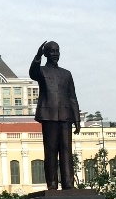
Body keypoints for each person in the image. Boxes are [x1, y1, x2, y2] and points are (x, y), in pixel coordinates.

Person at [29, 41, 80, 189]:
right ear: (45, 54)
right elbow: (33, 73)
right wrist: (37, 57)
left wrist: (77, 119)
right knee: (50, 151)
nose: (55, 54)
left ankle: (68, 183)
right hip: (48, 115)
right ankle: (52, 184)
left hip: (65, 116)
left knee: (66, 150)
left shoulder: (66, 73)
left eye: (57, 51)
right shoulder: (42, 71)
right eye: (51, 51)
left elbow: (72, 97)